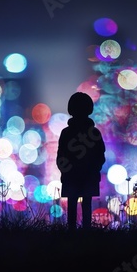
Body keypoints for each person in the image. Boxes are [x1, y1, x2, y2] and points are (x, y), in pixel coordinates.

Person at [56, 92, 106, 230]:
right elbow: (100, 154)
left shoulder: (66, 133)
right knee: (86, 203)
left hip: (71, 175)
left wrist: (65, 170)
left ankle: (72, 232)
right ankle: (86, 232)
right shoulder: (94, 133)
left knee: (72, 203)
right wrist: (93, 169)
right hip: (88, 175)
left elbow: (61, 155)